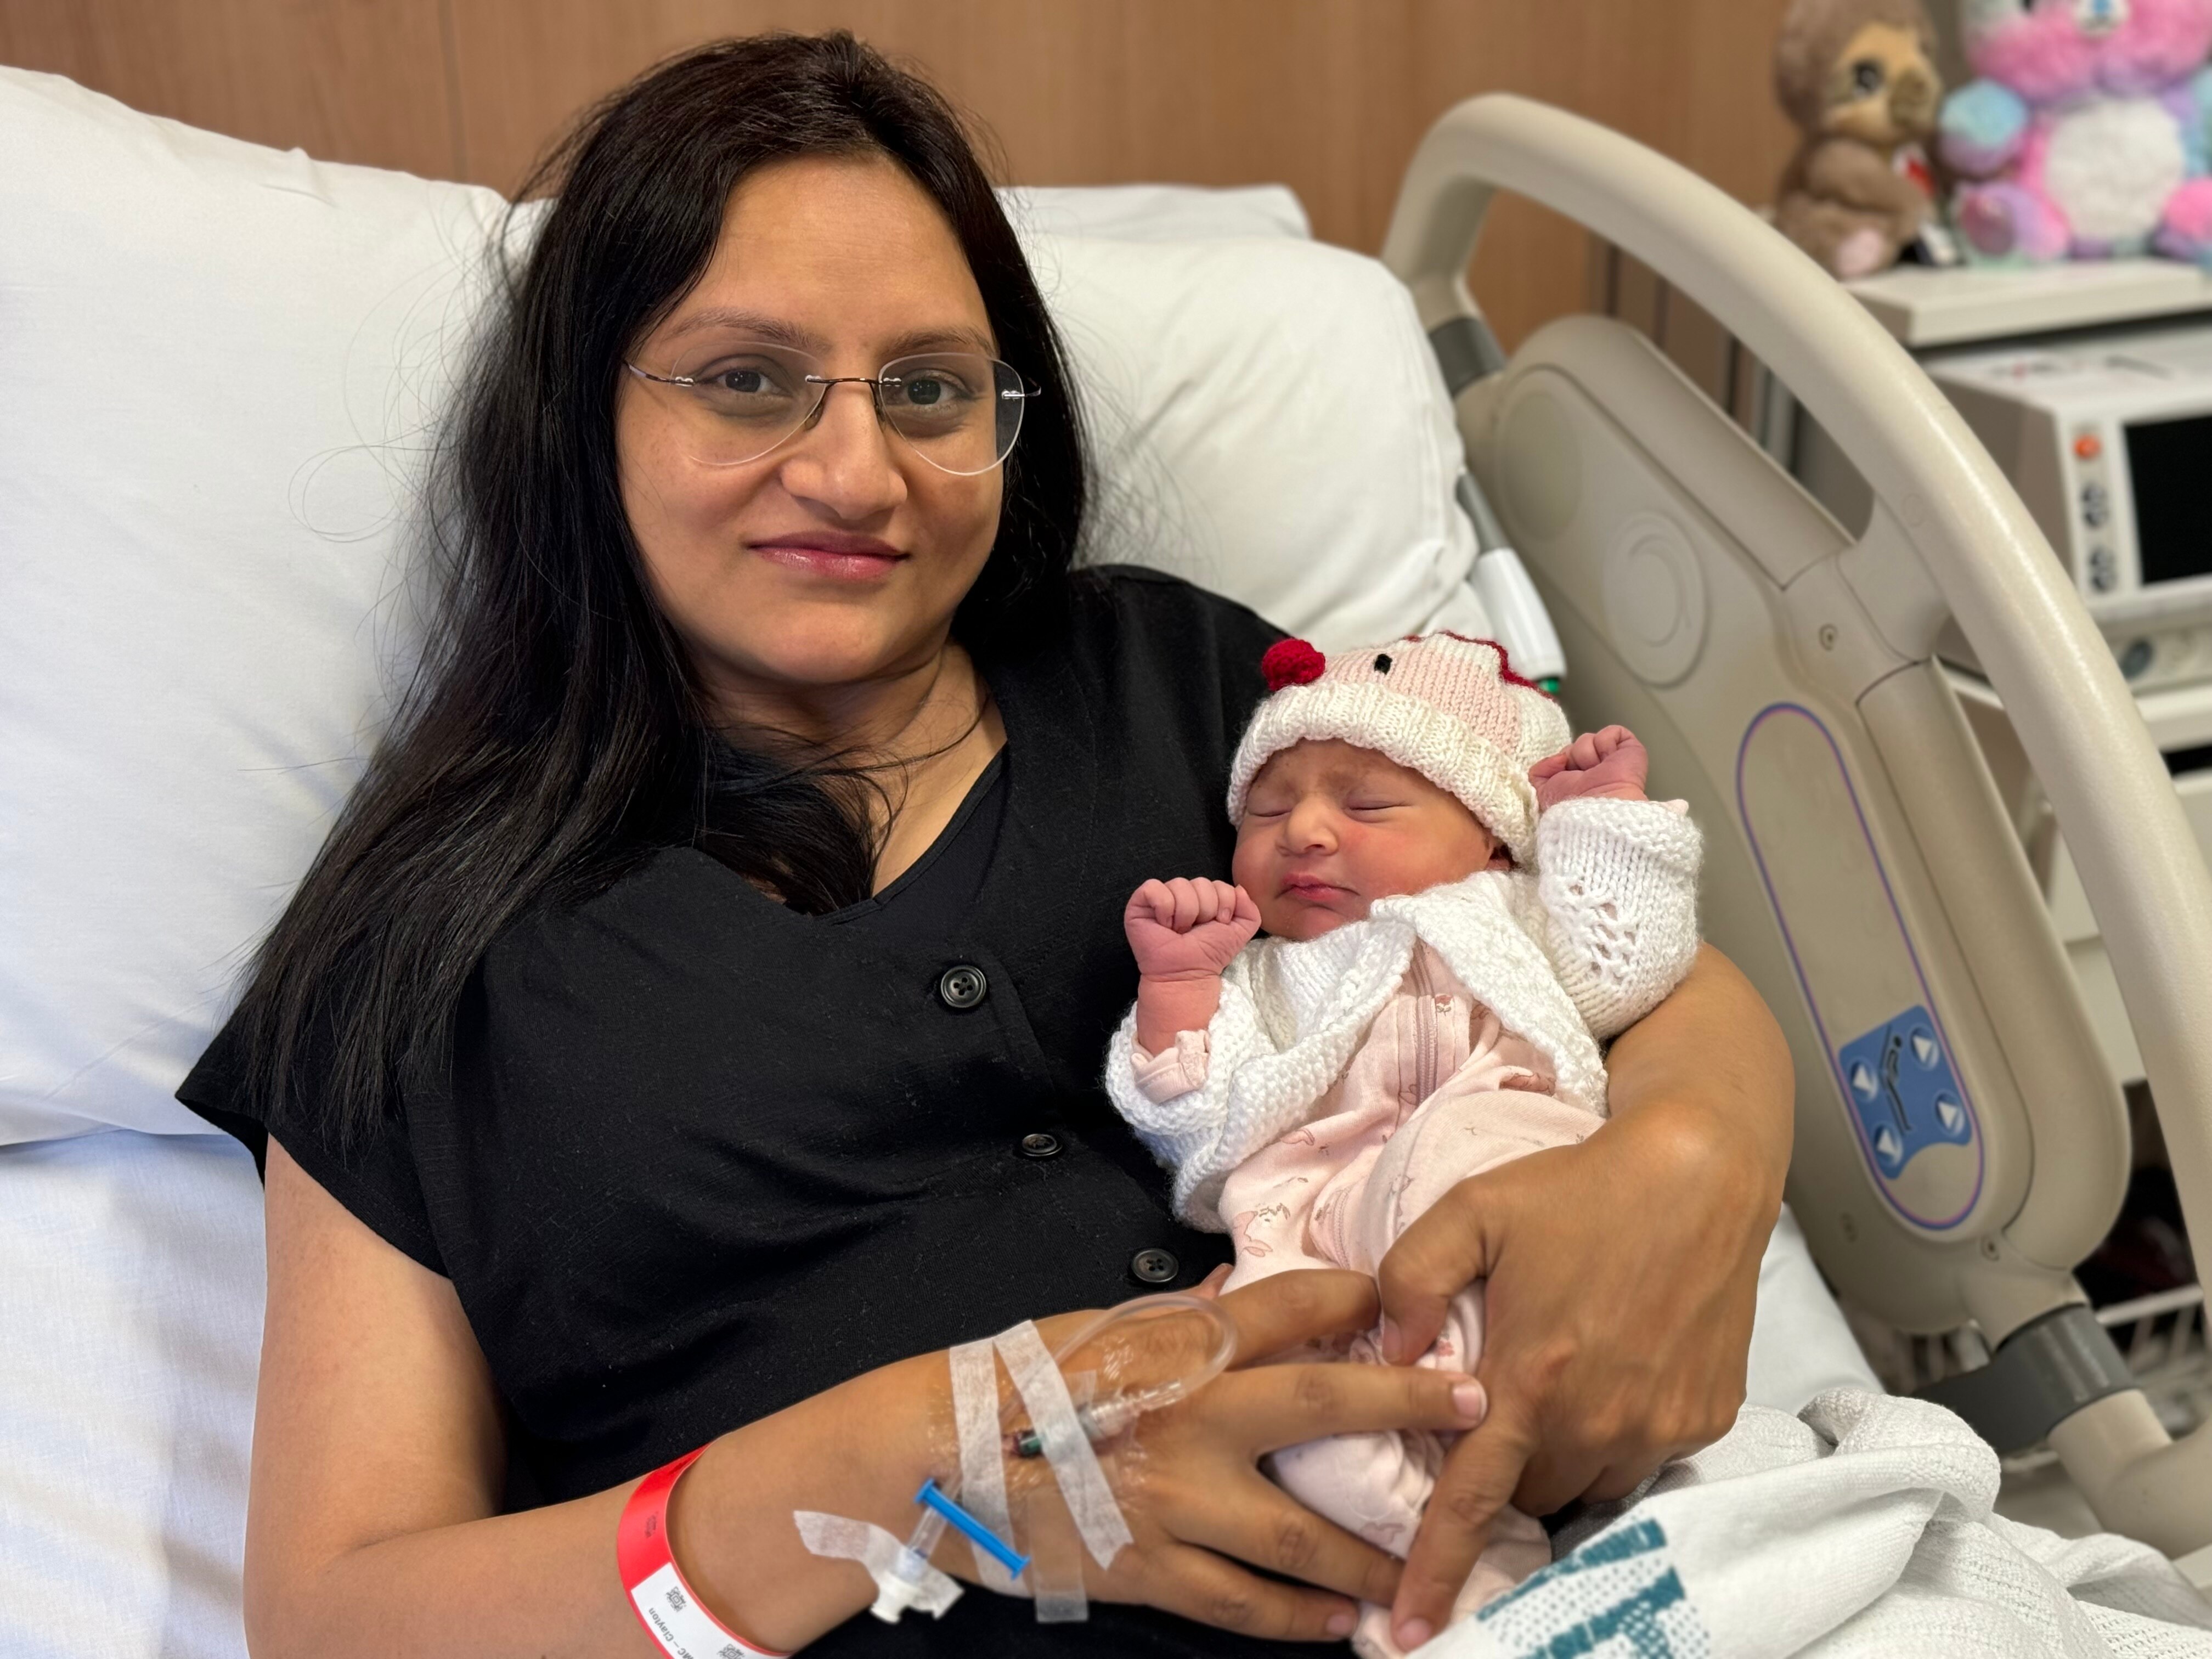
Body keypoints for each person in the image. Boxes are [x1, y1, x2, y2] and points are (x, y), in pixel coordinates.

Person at [178, 31, 1793, 1659]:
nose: (856, 471)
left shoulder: (1200, 697)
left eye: (932, 390)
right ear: (580, 411)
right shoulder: (425, 945)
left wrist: (1694, 1166)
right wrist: (917, 1464)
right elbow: (335, 1615)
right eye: (746, 378)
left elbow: (1594, 954)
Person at [1108, 633, 1703, 1655]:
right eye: (1265, 809)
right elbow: (1192, 1120)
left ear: (1495, 841)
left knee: (1464, 1148)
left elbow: (1630, 972)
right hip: (1340, 1274)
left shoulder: (1516, 914)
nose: (1304, 832)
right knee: (1311, 1449)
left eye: (1368, 805)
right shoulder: (1258, 974)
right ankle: (1469, 1592)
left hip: (1523, 1220)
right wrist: (1177, 994)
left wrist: (1599, 827)